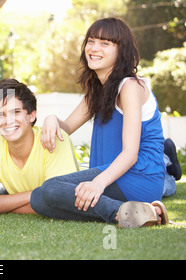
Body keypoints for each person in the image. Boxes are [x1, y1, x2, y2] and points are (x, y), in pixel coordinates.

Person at [31, 17, 170, 228]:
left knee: (51, 188)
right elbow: (66, 128)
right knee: (38, 199)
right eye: (91, 41)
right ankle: (141, 211)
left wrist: (97, 183)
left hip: (138, 176)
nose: (94, 48)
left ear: (121, 51)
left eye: (105, 43)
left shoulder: (130, 86)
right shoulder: (97, 91)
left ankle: (120, 212)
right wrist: (51, 119)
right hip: (112, 176)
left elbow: (131, 154)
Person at [0, 78, 79, 214]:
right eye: (0, 115)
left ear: (31, 115)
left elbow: (59, 202)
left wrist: (5, 205)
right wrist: (33, 195)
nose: (8, 121)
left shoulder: (54, 139)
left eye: (16, 112)